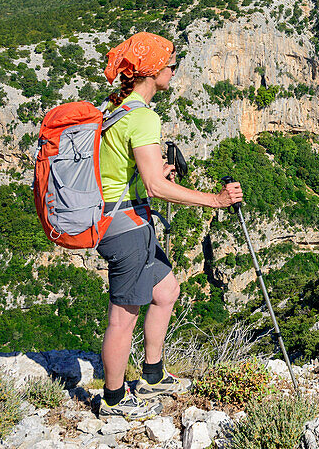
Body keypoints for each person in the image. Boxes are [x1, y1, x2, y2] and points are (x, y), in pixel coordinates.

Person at [96, 32, 243, 419]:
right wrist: (215, 200)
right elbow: (157, 187)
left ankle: (153, 375)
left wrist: (152, 172)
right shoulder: (142, 116)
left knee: (167, 291)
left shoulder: (118, 108)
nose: (175, 70)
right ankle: (113, 399)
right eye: (171, 64)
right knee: (122, 317)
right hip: (124, 228)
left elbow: (127, 171)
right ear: (152, 71)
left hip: (128, 218)